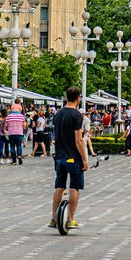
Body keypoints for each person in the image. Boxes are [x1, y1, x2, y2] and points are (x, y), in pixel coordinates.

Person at [49, 87, 88, 230]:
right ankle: (71, 219)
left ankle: (53, 218)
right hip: (73, 158)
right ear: (78, 98)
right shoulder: (77, 115)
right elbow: (78, 140)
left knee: (59, 186)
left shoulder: (58, 114)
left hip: (59, 157)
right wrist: (84, 158)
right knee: (74, 187)